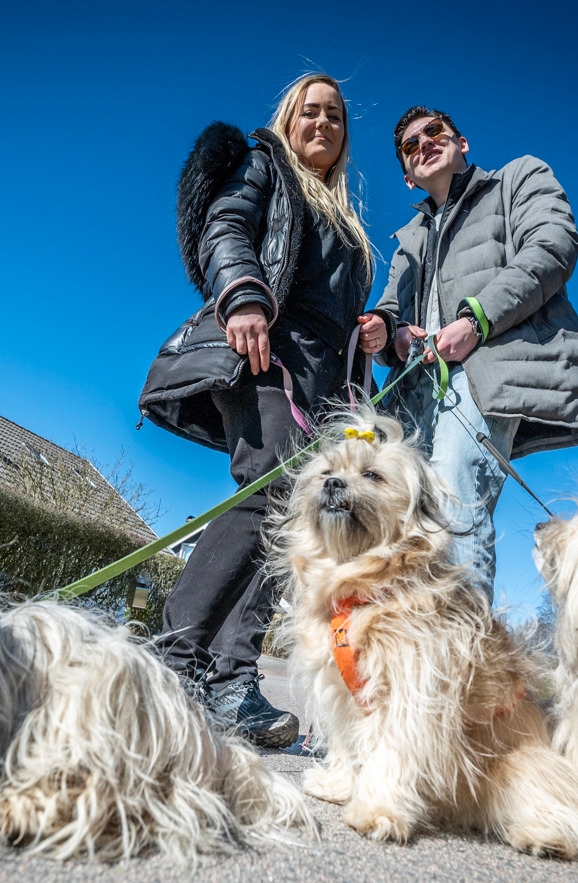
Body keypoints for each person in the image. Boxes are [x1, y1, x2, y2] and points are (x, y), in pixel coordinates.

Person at [139, 74, 389, 747]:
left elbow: (336, 312)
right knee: (268, 492)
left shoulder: (347, 222)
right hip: (263, 353)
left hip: (323, 389)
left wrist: (368, 338)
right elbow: (224, 227)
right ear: (289, 118)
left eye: (334, 115)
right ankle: (173, 661)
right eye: (310, 111)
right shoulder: (266, 164)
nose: (322, 123)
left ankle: (228, 680)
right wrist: (243, 293)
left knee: (293, 524)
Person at [372, 107, 578, 603]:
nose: (424, 144)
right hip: (412, 398)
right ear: (408, 177)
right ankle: (405, 660)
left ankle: (466, 666)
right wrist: (390, 334)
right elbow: (392, 310)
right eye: (410, 146)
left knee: (456, 500)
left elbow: (553, 246)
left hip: (485, 373)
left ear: (462, 142)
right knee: (395, 523)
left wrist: (475, 321)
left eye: (434, 132)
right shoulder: (406, 243)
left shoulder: (518, 178)